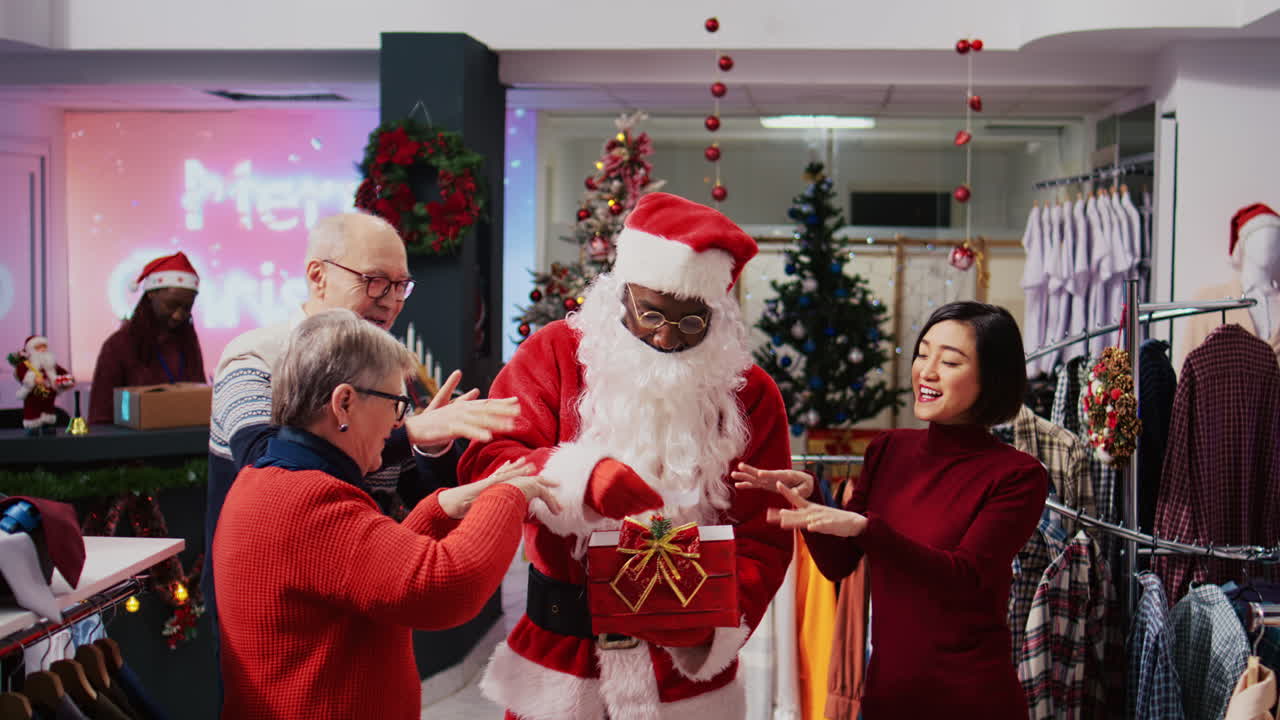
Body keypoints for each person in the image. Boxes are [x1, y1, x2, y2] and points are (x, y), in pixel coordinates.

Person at [458, 192, 794, 720]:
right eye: (651, 313)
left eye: (691, 323)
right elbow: (488, 460)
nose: (666, 336)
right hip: (563, 664)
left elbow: (766, 533)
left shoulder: (750, 394)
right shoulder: (554, 353)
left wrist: (715, 622)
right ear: (620, 293)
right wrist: (578, 479)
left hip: (685, 681)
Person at [205, 212, 518, 700]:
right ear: (318, 275)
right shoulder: (256, 357)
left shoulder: (381, 367)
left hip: (357, 597)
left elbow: (414, 488)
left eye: (400, 286)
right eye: (375, 281)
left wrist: (428, 445)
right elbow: (269, 461)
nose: (391, 300)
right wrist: (415, 431)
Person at [213, 308, 560, 720]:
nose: (399, 424)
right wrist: (508, 495)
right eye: (396, 404)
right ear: (344, 403)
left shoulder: (278, 481)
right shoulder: (308, 499)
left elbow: (371, 573)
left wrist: (440, 509)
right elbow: (444, 589)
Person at [734, 301, 1049, 718]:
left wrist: (867, 529)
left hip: (970, 700)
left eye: (949, 361)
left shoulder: (1019, 475)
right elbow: (838, 563)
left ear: (992, 378)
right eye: (923, 354)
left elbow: (966, 579)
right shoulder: (889, 449)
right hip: (886, 696)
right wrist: (811, 502)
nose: (927, 372)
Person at [88, 251, 206, 424]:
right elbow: (100, 416)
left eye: (187, 308)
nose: (178, 315)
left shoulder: (187, 342)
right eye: (171, 305)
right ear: (151, 294)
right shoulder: (118, 346)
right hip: (132, 440)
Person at [10, 335, 75, 434]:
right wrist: (33, 379)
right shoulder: (25, 365)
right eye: (38, 347)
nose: (42, 349)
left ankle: (47, 425)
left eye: (44, 346)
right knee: (33, 411)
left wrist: (64, 381)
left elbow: (65, 375)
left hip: (49, 393)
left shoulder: (51, 364)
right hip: (33, 393)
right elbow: (21, 373)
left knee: (48, 410)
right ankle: (33, 427)